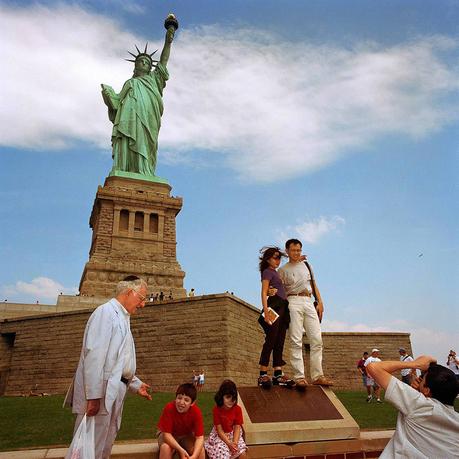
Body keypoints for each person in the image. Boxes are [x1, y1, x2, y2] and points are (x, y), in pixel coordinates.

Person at [64, 276, 152, 459]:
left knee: (105, 442)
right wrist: (94, 396)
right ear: (129, 292)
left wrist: (135, 384)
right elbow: (94, 356)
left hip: (113, 390)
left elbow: (117, 361)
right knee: (90, 446)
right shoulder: (105, 313)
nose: (143, 305)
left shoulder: (122, 317)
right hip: (102, 392)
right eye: (142, 298)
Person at [101, 14, 178, 177]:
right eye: (140, 61)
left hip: (148, 118)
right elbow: (116, 103)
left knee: (146, 143)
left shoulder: (154, 80)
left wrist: (168, 41)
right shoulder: (130, 83)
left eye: (146, 62)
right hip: (129, 118)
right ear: (135, 66)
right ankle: (126, 168)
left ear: (150, 67)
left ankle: (145, 171)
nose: (142, 63)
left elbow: (163, 61)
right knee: (128, 138)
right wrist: (108, 96)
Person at [366, 355, 459, 458]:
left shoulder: (417, 405)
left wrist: (415, 364)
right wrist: (419, 390)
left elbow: (373, 368)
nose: (418, 380)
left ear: (427, 390)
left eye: (421, 379)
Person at [277, 239, 333, 388]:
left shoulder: (307, 265)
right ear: (287, 251)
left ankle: (318, 375)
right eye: (294, 250)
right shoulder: (282, 270)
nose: (296, 253)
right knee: (296, 340)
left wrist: (320, 302)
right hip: (293, 301)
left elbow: (314, 284)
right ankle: (299, 377)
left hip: (309, 301)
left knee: (317, 339)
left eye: (299, 250)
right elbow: (278, 291)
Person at [257, 246, 294, 388]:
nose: (278, 260)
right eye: (275, 257)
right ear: (267, 259)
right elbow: (264, 291)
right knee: (271, 339)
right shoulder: (267, 272)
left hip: (284, 308)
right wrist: (266, 312)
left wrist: (297, 261)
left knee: (280, 340)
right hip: (274, 307)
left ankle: (278, 374)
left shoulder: (276, 273)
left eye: (279, 257)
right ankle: (263, 374)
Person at [157, 383, 205, 459]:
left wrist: (194, 456)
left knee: (200, 450)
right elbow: (167, 435)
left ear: (192, 403)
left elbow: (200, 438)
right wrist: (180, 450)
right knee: (165, 448)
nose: (181, 402)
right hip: (169, 434)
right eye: (179, 398)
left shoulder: (196, 412)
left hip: (187, 434)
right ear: (175, 398)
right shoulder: (169, 408)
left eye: (186, 400)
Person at [205, 380, 248, 459]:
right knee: (222, 454)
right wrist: (229, 443)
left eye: (233, 398)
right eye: (228, 397)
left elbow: (237, 427)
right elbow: (219, 429)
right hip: (221, 435)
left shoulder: (237, 409)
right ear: (221, 396)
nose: (231, 401)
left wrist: (234, 443)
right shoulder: (216, 410)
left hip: (234, 434)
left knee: (242, 453)